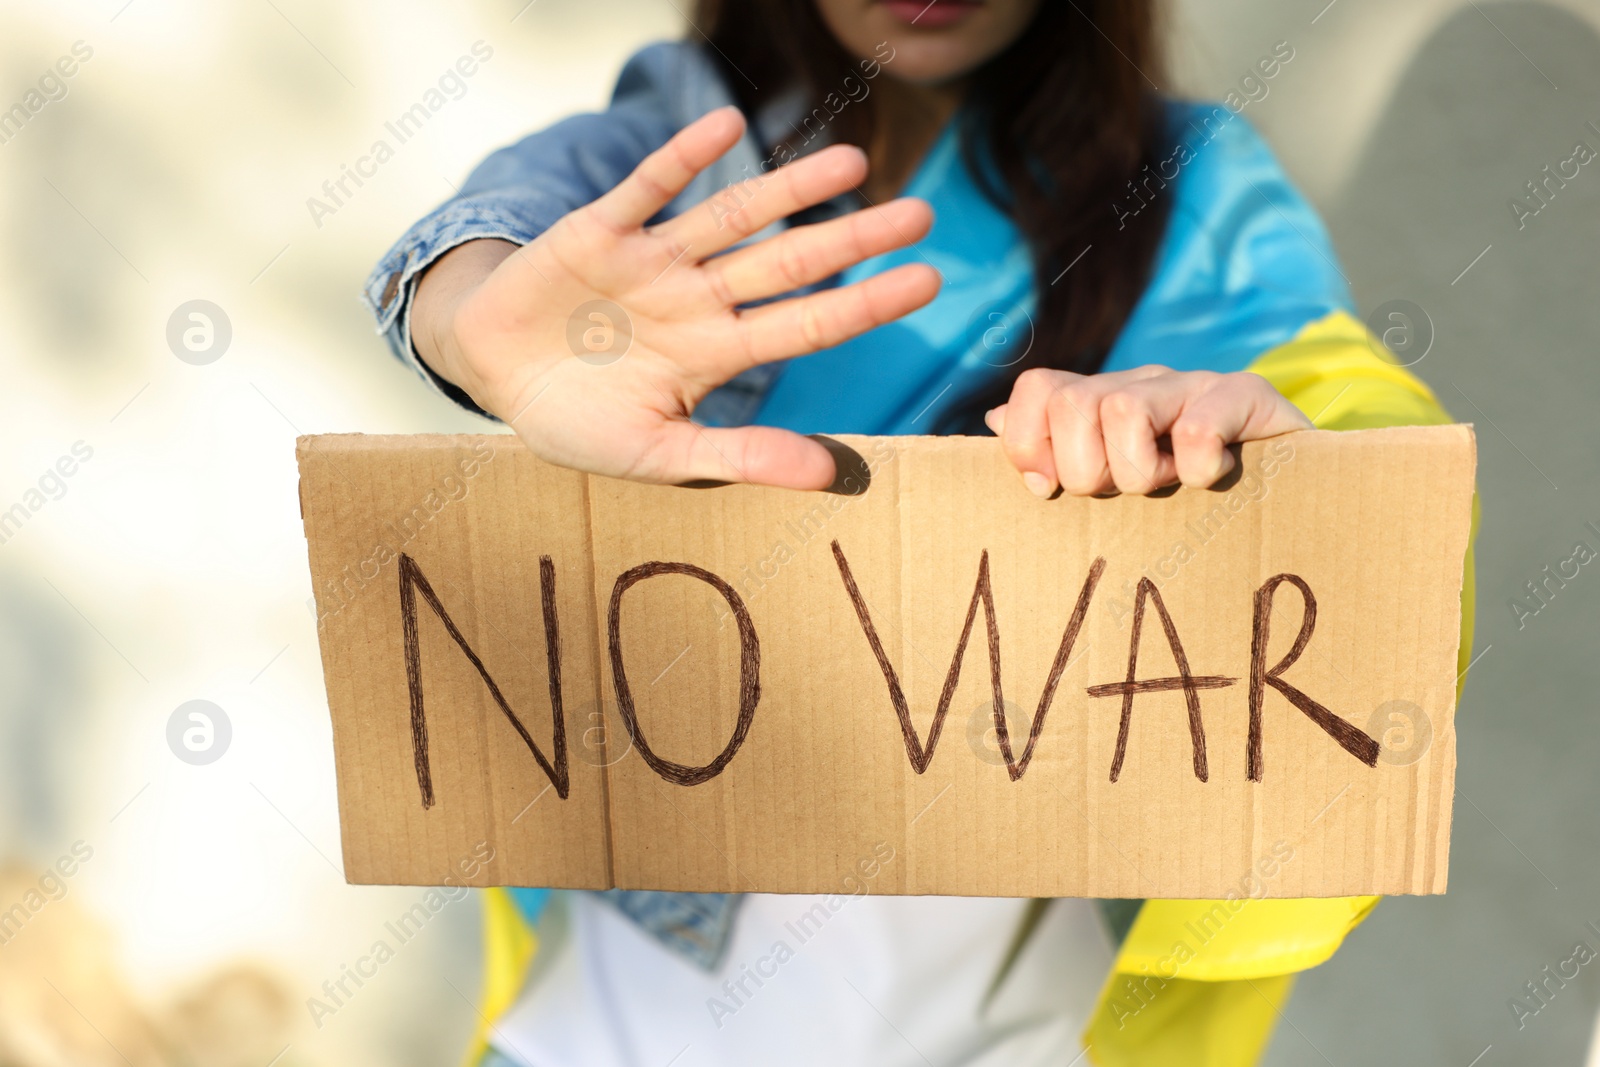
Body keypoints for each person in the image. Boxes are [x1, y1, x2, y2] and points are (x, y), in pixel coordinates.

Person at [363, 1, 1474, 1063]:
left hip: (1010, 997)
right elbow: (484, 250)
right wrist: (470, 322)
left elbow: (1349, 419)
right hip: (623, 1004)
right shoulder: (675, 139)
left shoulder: (1187, 182)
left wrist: (1268, 442)